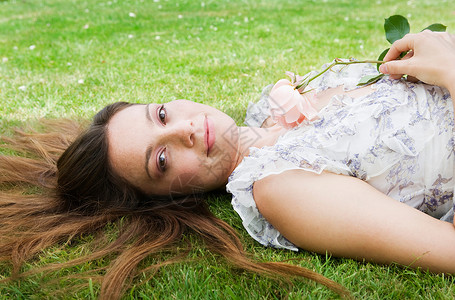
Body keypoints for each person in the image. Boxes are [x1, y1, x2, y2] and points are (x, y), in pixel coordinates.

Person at [1, 30, 454, 298]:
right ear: (174, 197)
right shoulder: (280, 190)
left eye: (160, 113)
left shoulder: (275, 105)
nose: (183, 130)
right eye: (161, 158)